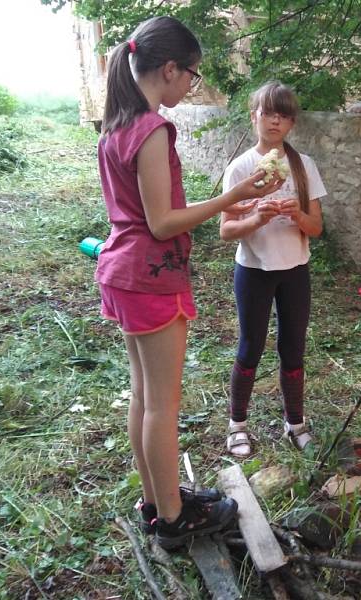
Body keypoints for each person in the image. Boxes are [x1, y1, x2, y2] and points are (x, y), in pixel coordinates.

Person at [95, 16, 286, 549]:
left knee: (144, 397)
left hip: (124, 270)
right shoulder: (153, 129)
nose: (192, 86)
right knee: (162, 404)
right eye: (192, 76)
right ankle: (175, 520)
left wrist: (233, 197)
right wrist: (232, 197)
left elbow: (141, 215)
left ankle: (158, 500)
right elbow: (162, 222)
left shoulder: (116, 125)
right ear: (170, 69)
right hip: (151, 276)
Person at [220, 81, 327, 457]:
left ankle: (294, 424)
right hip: (253, 270)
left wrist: (296, 213)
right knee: (251, 346)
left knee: (293, 348)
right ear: (255, 117)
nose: (275, 121)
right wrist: (256, 218)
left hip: (295, 269)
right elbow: (226, 229)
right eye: (268, 113)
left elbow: (316, 227)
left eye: (283, 115)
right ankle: (237, 425)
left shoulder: (303, 167)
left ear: (292, 123)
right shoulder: (241, 168)